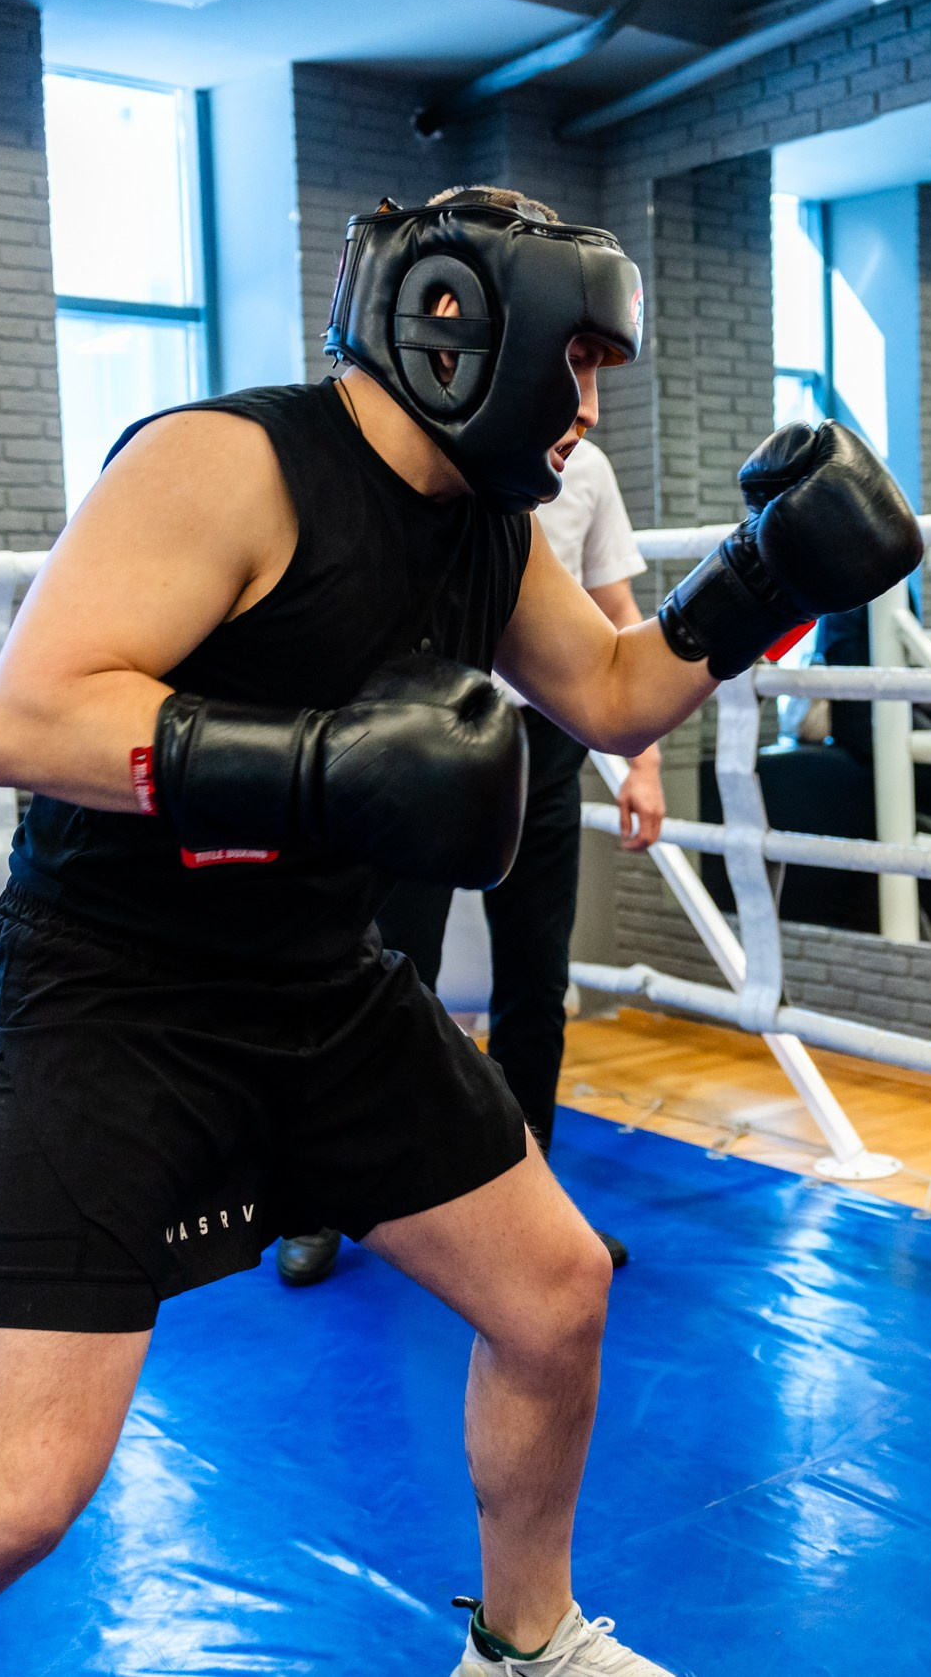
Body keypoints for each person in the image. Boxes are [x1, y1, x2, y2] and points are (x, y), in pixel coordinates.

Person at [0, 187, 922, 1677]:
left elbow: (613, 689)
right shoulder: (228, 462)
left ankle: (526, 1644)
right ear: (462, 334)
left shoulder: (488, 526)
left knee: (555, 1292)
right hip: (118, 998)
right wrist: (319, 762)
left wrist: (767, 576)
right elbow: (32, 715)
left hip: (320, 982)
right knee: (2, 1499)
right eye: (580, 358)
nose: (590, 400)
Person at [276, 435, 662, 1285]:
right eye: (577, 361)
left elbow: (617, 608)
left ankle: (531, 1200)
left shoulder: (586, 469)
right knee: (379, 977)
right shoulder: (425, 457)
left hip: (543, 747)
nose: (587, 401)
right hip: (417, 741)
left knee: (536, 975)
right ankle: (323, 1199)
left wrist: (645, 760)